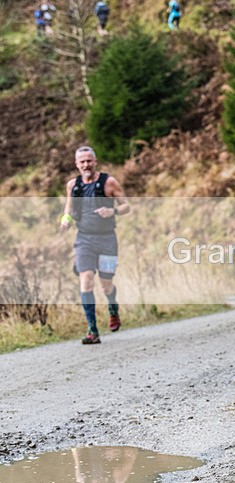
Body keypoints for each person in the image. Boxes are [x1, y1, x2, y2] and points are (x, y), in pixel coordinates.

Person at [60, 146, 130, 345]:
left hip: (107, 240)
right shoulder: (73, 186)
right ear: (76, 164)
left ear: (95, 161)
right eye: (82, 162)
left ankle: (112, 306)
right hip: (84, 240)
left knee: (106, 284)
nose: (86, 165)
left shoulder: (109, 182)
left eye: (89, 161)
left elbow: (126, 206)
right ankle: (92, 330)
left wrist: (113, 212)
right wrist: (65, 219)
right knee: (86, 279)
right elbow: (68, 208)